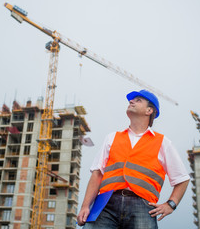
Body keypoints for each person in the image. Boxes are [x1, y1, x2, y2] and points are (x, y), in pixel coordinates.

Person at [77, 89, 190, 229]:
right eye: (132, 100)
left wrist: (171, 204)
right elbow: (97, 174)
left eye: (138, 100)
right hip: (105, 204)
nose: (131, 101)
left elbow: (182, 178)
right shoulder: (112, 138)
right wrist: (85, 206)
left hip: (142, 206)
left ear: (149, 110)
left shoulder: (162, 142)